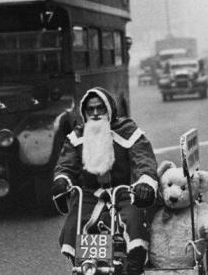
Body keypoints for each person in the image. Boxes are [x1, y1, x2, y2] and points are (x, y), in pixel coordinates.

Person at [52, 87, 158, 275]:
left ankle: (134, 266)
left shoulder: (127, 130)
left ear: (109, 109)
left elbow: (143, 158)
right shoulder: (77, 136)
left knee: (134, 221)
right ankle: (83, 265)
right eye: (90, 109)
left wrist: (144, 182)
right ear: (83, 112)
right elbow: (65, 163)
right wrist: (62, 180)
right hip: (90, 195)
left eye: (100, 108)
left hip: (124, 192)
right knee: (72, 226)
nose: (95, 113)